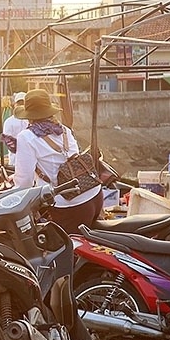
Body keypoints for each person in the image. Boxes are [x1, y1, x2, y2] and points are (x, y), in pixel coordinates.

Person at [12, 88, 104, 235]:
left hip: (70, 204)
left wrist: (13, 199)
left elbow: (24, 181)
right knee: (88, 243)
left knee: (65, 247)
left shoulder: (27, 137)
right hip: (94, 194)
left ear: (29, 116)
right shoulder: (64, 130)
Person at [1, 92, 28, 165]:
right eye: (19, 103)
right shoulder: (9, 121)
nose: (21, 106)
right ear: (15, 105)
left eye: (23, 103)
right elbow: (7, 140)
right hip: (14, 161)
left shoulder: (31, 120)